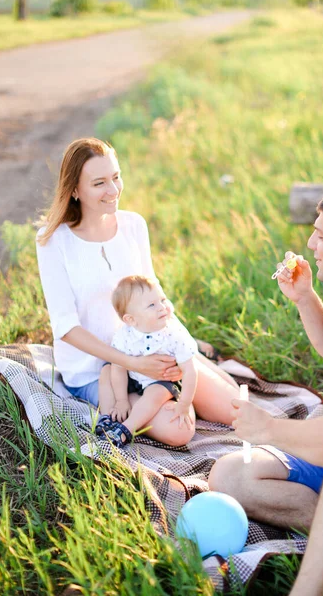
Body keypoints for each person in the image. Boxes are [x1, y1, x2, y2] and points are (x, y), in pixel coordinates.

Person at [209, 185, 323, 596]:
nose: (310, 242)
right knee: (229, 474)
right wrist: (305, 299)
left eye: (322, 234)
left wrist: (270, 429)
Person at [36, 137, 240, 447]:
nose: (114, 190)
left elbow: (156, 297)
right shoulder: (53, 240)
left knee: (237, 408)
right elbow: (65, 327)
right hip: (96, 372)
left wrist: (183, 348)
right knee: (179, 431)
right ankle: (166, 398)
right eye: (100, 183)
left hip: (150, 348)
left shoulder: (133, 226)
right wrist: (133, 364)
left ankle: (193, 372)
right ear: (74, 190)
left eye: (116, 177)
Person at [95, 275, 198, 447]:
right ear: (131, 319)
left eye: (163, 300)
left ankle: (126, 429)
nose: (162, 307)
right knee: (107, 371)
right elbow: (119, 368)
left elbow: (190, 371)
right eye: (152, 305)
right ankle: (108, 419)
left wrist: (184, 404)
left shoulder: (175, 334)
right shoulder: (124, 335)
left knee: (156, 393)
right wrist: (121, 400)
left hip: (160, 381)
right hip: (132, 377)